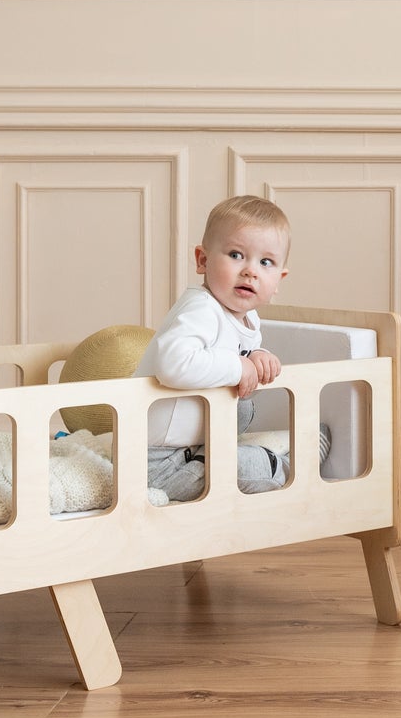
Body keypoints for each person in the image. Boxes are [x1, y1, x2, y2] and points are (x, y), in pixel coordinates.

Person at [136, 194, 325, 500]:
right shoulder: (201, 308)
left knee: (241, 405)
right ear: (203, 260)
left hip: (195, 445)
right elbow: (173, 364)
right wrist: (240, 365)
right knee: (243, 468)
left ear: (278, 279)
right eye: (236, 255)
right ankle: (292, 467)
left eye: (265, 262)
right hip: (153, 462)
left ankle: (276, 456)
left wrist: (256, 356)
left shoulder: (247, 317)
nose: (250, 270)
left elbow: (231, 363)